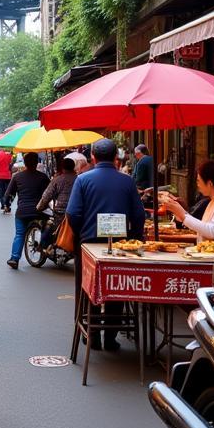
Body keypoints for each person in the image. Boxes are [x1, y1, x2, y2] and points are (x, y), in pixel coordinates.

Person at [66, 138, 146, 350]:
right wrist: (135, 238)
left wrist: (82, 232)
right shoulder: (127, 181)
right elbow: (139, 215)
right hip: (121, 246)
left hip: (88, 243)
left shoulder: (83, 179)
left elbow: (73, 213)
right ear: (115, 158)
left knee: (89, 288)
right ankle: (110, 337)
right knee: (115, 287)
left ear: (93, 157)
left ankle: (92, 335)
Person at [159, 160, 214, 245]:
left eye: (199, 181)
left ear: (210, 183)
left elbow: (213, 231)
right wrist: (180, 213)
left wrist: (183, 215)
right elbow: (204, 227)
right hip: (212, 254)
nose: (197, 184)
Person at [3, 153, 51, 269]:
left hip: (22, 211)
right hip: (39, 211)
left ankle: (14, 258)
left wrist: (7, 204)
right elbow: (49, 193)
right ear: (37, 163)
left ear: (24, 163)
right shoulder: (43, 177)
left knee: (19, 234)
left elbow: (8, 195)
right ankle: (44, 246)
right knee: (48, 227)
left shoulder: (17, 176)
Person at [36, 157, 78, 248]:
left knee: (49, 226)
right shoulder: (79, 179)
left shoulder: (58, 180)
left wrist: (39, 207)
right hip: (77, 212)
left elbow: (46, 196)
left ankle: (43, 246)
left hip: (60, 212)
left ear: (63, 168)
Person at [0, 146, 14, 211]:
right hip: (8, 176)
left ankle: (2, 204)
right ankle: (7, 204)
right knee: (7, 190)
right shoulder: (9, 155)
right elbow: (11, 165)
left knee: (1, 191)